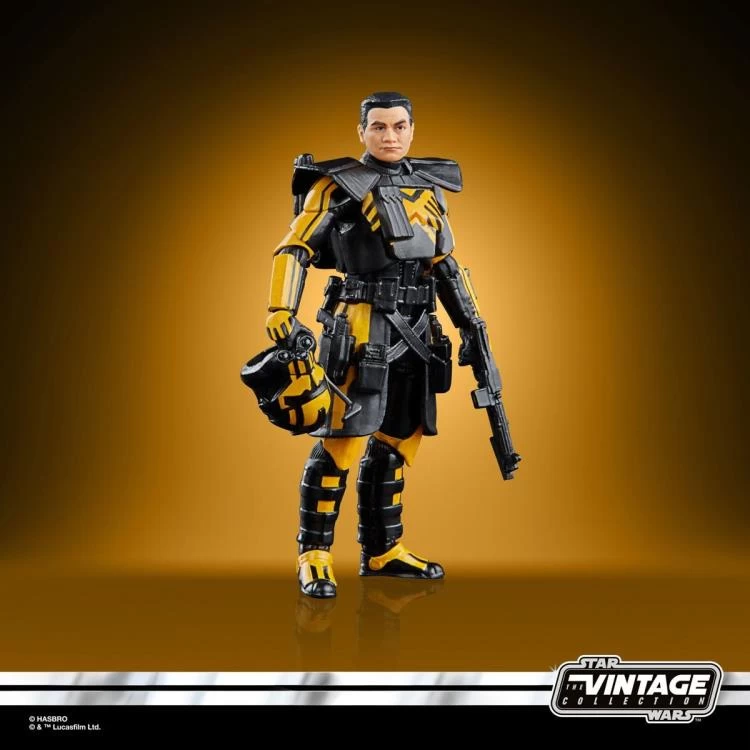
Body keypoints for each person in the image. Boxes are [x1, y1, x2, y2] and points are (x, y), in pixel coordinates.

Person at [260, 92, 509, 598]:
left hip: (419, 330)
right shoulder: (338, 184)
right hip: (361, 328)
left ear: (412, 129)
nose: (390, 136)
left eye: (399, 126)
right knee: (344, 440)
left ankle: (383, 549)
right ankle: (314, 555)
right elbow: (294, 248)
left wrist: (471, 325)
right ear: (362, 131)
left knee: (399, 440)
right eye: (378, 126)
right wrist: (280, 309)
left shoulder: (429, 185)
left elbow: (445, 265)